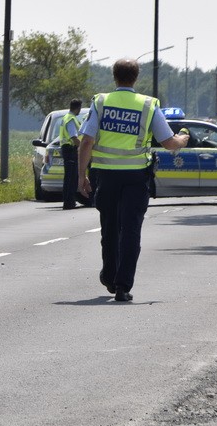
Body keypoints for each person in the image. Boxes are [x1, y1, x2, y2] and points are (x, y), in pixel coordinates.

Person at [77, 58, 189, 302]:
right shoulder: (148, 105)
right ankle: (122, 286)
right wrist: (182, 139)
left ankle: (109, 276)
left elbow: (86, 141)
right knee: (130, 231)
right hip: (136, 177)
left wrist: (80, 176)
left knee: (109, 228)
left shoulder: (102, 102)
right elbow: (169, 143)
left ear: (114, 77)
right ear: (136, 78)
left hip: (106, 176)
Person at [59, 98, 84, 210]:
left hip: (66, 149)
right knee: (71, 178)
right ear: (78, 108)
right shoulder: (71, 119)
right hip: (70, 149)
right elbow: (74, 137)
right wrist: (82, 148)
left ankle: (69, 201)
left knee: (70, 177)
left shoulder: (66, 117)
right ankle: (69, 202)